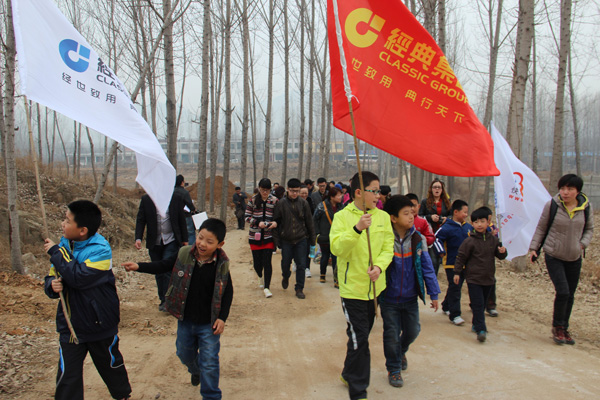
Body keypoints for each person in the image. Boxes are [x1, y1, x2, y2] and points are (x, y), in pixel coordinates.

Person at [122, 218, 233, 399]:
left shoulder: (222, 264)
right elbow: (163, 265)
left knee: (210, 362)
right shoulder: (184, 254)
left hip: (209, 323)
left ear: (220, 244)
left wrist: (222, 318)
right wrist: (139, 266)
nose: (202, 244)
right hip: (185, 320)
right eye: (200, 237)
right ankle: (196, 370)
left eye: (209, 241)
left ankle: (211, 395)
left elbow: (227, 291)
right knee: (184, 354)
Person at [43, 200, 131, 400]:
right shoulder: (64, 245)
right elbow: (53, 274)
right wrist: (51, 285)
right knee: (67, 376)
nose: (63, 224)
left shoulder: (101, 250)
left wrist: (56, 253)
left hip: (99, 322)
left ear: (82, 230)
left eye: (68, 221)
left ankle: (122, 395)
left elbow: (78, 278)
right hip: (70, 325)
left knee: (110, 366)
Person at [330, 171, 394, 400]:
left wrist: (380, 267)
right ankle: (359, 391)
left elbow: (388, 248)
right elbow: (337, 248)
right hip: (352, 290)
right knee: (361, 340)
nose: (378, 195)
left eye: (379, 191)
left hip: (375, 289)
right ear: (358, 192)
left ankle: (348, 373)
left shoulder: (383, 217)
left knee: (359, 335)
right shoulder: (342, 217)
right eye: (374, 191)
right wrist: (356, 229)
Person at [381, 195, 440, 387]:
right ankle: (394, 369)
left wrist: (433, 293)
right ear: (393, 218)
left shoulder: (417, 239)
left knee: (413, 330)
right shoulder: (384, 239)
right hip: (389, 298)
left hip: (410, 297)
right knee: (391, 334)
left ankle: (400, 351)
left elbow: (427, 267)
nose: (411, 217)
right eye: (406, 213)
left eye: (412, 213)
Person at [528, 174, 594, 345]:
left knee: (570, 294)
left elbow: (589, 229)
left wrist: (582, 244)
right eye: (562, 188)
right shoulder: (552, 205)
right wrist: (534, 248)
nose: (565, 192)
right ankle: (557, 327)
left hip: (574, 256)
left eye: (570, 189)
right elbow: (541, 228)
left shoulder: (585, 207)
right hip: (554, 254)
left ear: (578, 191)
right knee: (563, 291)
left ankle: (564, 327)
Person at [453, 207, 507, 342]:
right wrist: (457, 272)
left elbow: (500, 256)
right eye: (476, 222)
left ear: (488, 222)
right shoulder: (469, 241)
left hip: (488, 278)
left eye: (482, 221)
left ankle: (476, 323)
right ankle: (481, 329)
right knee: (477, 304)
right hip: (473, 279)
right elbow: (461, 257)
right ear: (472, 224)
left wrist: (503, 251)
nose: (479, 225)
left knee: (482, 305)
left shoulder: (493, 240)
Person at [135, 192, 188, 311]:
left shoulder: (175, 198)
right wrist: (138, 238)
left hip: (171, 240)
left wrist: (185, 240)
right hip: (154, 241)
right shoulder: (146, 199)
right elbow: (141, 219)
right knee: (158, 271)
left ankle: (168, 301)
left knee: (167, 270)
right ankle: (162, 298)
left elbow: (181, 219)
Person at [273, 178, 316, 299]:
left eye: (297, 191)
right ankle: (285, 276)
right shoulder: (281, 204)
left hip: (301, 239)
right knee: (285, 263)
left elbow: (310, 223)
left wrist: (312, 241)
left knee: (301, 265)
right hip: (286, 240)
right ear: (287, 189)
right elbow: (276, 222)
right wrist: (277, 241)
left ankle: (299, 288)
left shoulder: (304, 203)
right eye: (292, 191)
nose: (294, 193)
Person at [433, 199, 472, 326]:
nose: (466, 215)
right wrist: (441, 251)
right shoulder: (447, 227)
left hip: (466, 263)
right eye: (464, 212)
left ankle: (446, 305)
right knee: (455, 288)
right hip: (451, 263)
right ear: (456, 212)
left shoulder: (468, 227)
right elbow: (435, 239)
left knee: (456, 286)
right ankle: (455, 315)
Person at [246, 178, 278, 298]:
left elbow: (278, 216)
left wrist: (275, 223)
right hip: (255, 236)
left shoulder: (274, 201)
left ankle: (267, 287)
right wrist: (257, 222)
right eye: (263, 190)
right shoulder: (253, 200)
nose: (265, 192)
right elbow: (247, 216)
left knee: (267, 262)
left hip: (269, 236)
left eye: (267, 190)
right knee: (257, 263)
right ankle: (260, 275)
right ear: (259, 189)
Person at [419, 179, 452, 275]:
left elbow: (452, 215)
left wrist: (446, 219)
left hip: (443, 233)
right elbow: (420, 216)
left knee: (441, 258)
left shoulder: (447, 202)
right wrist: (430, 217)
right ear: (431, 189)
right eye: (435, 187)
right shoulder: (425, 202)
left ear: (442, 190)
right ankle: (432, 276)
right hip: (431, 233)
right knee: (433, 259)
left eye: (439, 187)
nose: (437, 189)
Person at [313, 186, 344, 285]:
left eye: (341, 195)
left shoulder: (341, 207)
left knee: (336, 258)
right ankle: (322, 274)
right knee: (325, 256)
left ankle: (336, 279)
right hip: (325, 235)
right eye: (338, 195)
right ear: (332, 196)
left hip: (337, 236)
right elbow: (315, 219)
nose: (340, 197)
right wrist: (318, 233)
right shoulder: (322, 206)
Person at [174, 174, 197, 244]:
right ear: (182, 182)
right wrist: (193, 209)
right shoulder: (185, 192)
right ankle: (191, 248)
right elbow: (189, 204)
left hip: (174, 216)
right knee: (190, 233)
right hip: (185, 215)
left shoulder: (171, 191)